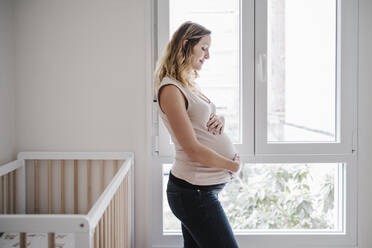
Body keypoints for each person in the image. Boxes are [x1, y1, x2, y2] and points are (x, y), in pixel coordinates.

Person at [154, 21, 240, 248]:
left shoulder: (187, 84)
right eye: (203, 48)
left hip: (198, 191)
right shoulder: (171, 89)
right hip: (193, 193)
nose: (208, 55)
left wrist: (220, 119)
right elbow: (192, 149)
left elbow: (200, 119)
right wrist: (232, 166)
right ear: (185, 45)